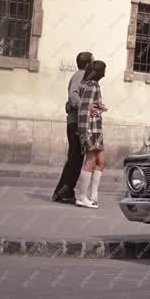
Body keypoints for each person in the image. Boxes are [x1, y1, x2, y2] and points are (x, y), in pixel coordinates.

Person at [52, 51, 94, 204]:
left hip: (75, 121)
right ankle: (65, 191)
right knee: (76, 158)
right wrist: (85, 107)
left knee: (74, 158)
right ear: (88, 64)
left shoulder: (82, 76)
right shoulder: (80, 75)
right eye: (93, 61)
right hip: (76, 122)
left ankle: (61, 192)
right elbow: (73, 94)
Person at [75, 60, 107, 208]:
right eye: (104, 69)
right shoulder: (91, 85)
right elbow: (83, 110)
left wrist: (100, 108)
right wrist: (84, 132)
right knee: (90, 161)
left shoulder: (91, 85)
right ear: (99, 72)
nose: (105, 72)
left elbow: (89, 106)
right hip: (91, 129)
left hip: (96, 129)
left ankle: (93, 196)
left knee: (101, 161)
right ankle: (81, 197)